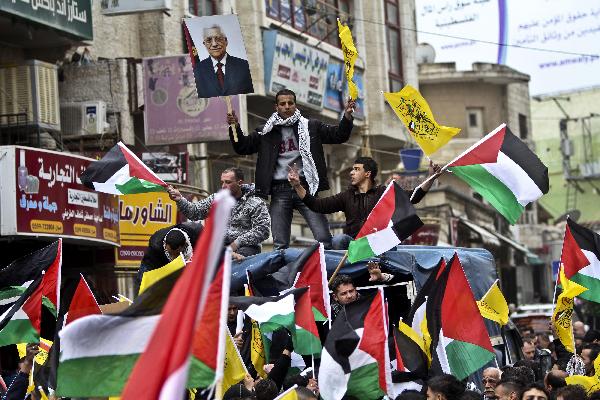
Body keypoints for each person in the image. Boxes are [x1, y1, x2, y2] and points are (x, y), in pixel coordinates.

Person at [227, 88, 356, 249]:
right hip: (279, 191)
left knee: (324, 239)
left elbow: (339, 135)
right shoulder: (265, 131)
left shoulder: (311, 126)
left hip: (305, 189)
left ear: (295, 105)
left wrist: (348, 116)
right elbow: (242, 147)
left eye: (290, 103)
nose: (287, 106)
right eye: (282, 104)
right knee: (280, 244)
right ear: (276, 107)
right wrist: (235, 127)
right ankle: (283, 274)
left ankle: (327, 272)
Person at [288, 156, 441, 249]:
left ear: (367, 174)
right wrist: (297, 185)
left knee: (394, 244)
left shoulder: (384, 193)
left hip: (378, 244)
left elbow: (414, 196)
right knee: (339, 239)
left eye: (356, 169)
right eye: (352, 169)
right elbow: (317, 205)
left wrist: (431, 177)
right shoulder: (346, 196)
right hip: (355, 245)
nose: (351, 172)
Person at [167, 167, 270, 261]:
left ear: (240, 183)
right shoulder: (216, 199)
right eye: (222, 182)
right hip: (219, 245)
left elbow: (263, 230)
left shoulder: (255, 202)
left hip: (246, 247)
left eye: (228, 182)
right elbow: (194, 212)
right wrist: (179, 199)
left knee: (235, 262)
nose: (223, 186)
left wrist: (236, 243)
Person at [134, 222, 202, 292]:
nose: (174, 258)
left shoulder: (197, 233)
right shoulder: (156, 245)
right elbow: (145, 273)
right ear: (165, 245)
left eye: (177, 254)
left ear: (184, 245)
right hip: (161, 261)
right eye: (171, 254)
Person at [193, 24, 254, 98]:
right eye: (209, 40)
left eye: (218, 39)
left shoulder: (244, 66)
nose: (214, 44)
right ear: (204, 44)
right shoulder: (197, 70)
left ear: (226, 41)